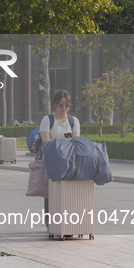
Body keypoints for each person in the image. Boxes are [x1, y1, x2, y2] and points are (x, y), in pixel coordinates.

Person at [39, 90, 80, 227]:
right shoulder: (47, 120)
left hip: (69, 162)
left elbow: (76, 142)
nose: (64, 108)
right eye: (61, 105)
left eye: (67, 105)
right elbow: (45, 141)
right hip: (52, 161)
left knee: (68, 191)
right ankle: (50, 223)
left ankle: (67, 222)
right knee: (50, 191)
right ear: (55, 105)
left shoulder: (74, 121)